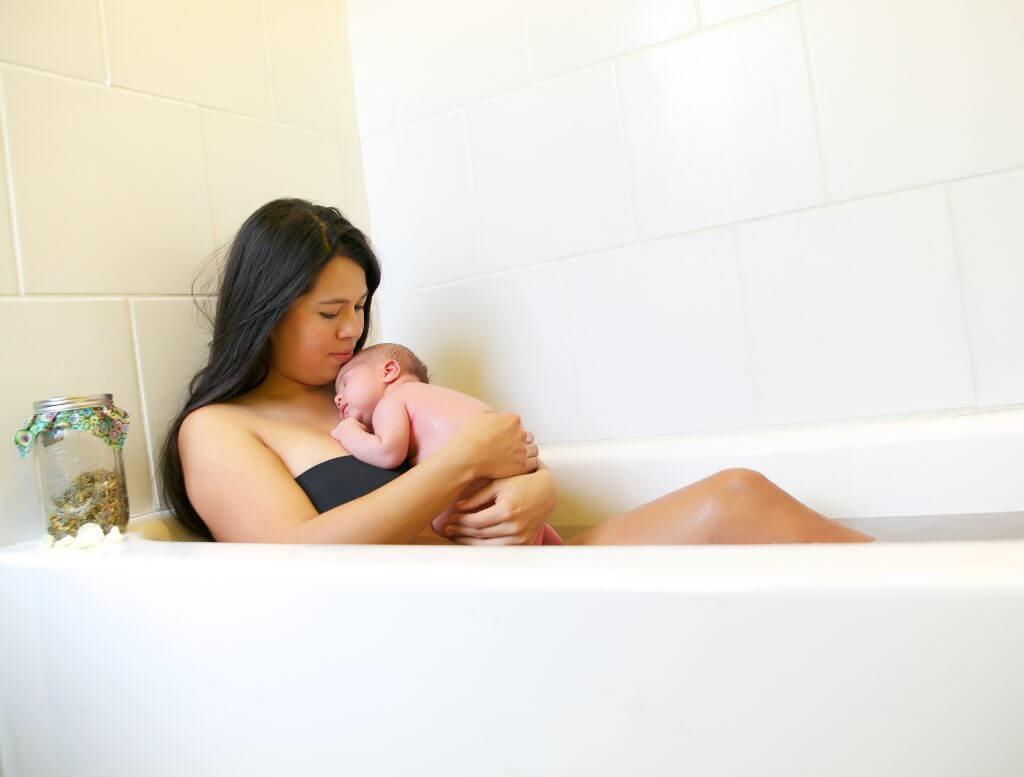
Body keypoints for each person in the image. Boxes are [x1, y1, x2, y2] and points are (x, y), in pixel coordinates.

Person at [160, 198, 874, 546]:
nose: (354, 329)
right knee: (736, 505)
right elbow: (292, 559)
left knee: (737, 496)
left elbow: (501, 459)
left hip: (527, 572)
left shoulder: (363, 393)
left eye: (361, 308)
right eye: (330, 312)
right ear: (268, 309)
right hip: (464, 618)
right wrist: (461, 461)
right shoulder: (220, 429)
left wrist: (537, 490)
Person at [328, 342, 564, 544]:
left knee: (446, 524)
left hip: (483, 498)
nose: (338, 398)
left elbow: (387, 452)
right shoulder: (433, 397)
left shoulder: (393, 401)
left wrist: (348, 433)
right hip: (514, 479)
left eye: (346, 383)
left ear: (389, 370)